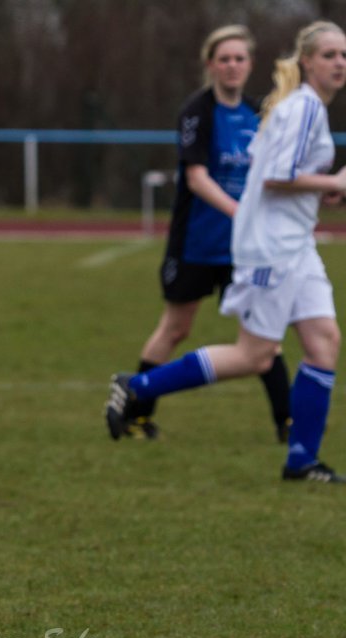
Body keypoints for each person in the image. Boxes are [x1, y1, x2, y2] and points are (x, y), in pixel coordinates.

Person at [106, 20, 346, 484]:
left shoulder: (298, 107)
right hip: (271, 250)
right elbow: (277, 175)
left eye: (345, 55)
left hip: (297, 246)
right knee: (254, 356)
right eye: (331, 55)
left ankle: (302, 462)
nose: (340, 63)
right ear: (308, 61)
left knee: (324, 343)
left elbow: (267, 174)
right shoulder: (304, 109)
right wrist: (333, 182)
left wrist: (321, 192)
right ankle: (136, 387)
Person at [122, 24, 292, 441]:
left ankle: (287, 426)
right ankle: (136, 414)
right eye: (224, 59)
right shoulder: (197, 112)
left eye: (239, 58)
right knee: (176, 329)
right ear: (210, 65)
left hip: (243, 249)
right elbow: (196, 179)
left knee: (266, 337)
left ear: (250, 65)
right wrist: (241, 211)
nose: (232, 66)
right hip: (197, 243)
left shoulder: (257, 114)